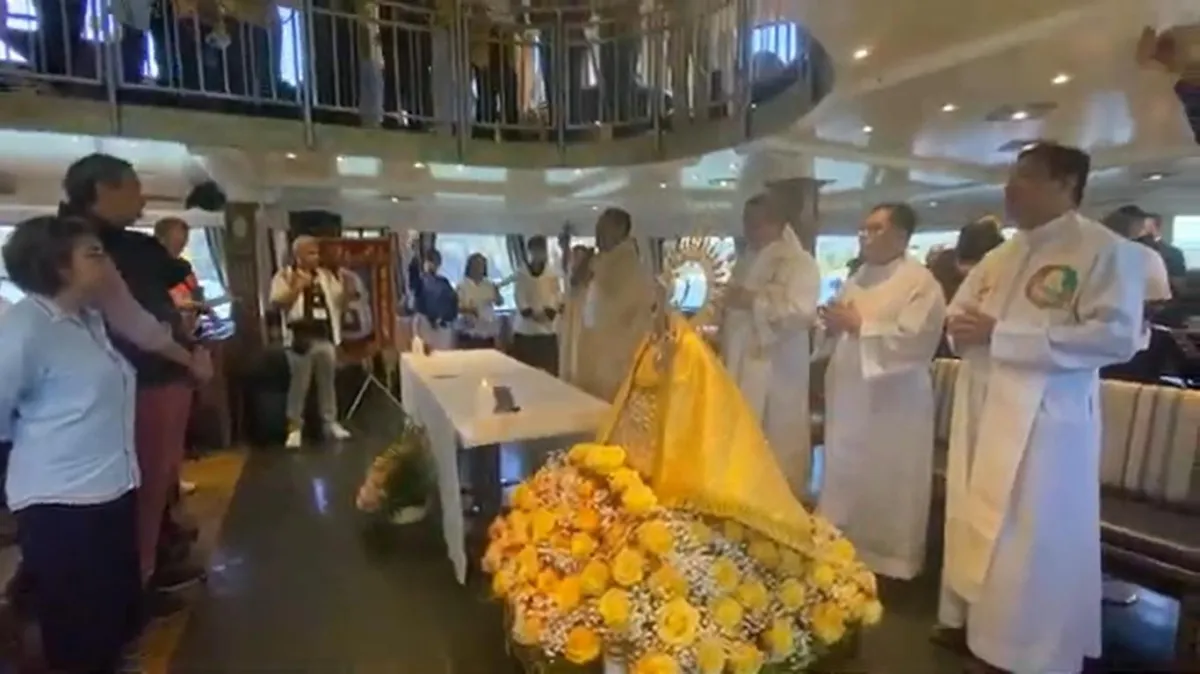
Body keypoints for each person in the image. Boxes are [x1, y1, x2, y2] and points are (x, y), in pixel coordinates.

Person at [936, 142, 1145, 673]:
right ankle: (979, 630)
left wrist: (1004, 335)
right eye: (1012, 174)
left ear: (1066, 184)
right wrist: (963, 329)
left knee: (1030, 534)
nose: (1010, 187)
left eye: (1026, 176)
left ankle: (1031, 651)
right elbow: (960, 314)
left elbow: (1115, 336)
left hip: (1047, 418)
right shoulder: (1001, 255)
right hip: (983, 405)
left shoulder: (1106, 251)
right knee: (979, 521)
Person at [59, 153, 211, 609]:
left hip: (144, 376)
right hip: (138, 381)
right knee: (139, 491)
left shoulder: (115, 245)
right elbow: (135, 323)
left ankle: (144, 575)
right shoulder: (82, 245)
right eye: (133, 188)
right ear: (102, 191)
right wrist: (187, 358)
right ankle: (134, 589)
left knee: (151, 486)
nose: (142, 198)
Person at [0, 216, 143, 672]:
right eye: (93, 254)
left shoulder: (88, 319)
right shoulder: (25, 328)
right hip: (60, 500)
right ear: (58, 266)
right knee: (79, 625)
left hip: (111, 486)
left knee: (113, 611)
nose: (106, 262)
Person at [817, 203, 946, 580]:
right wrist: (832, 326)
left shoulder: (920, 283)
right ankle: (840, 546)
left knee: (888, 475)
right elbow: (842, 326)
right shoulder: (858, 277)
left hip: (894, 401)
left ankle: (889, 561)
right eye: (862, 228)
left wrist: (861, 326)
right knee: (844, 471)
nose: (865, 236)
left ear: (901, 236)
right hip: (849, 394)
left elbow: (917, 339)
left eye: (875, 229)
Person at [720, 193, 821, 500]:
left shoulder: (798, 262)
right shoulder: (747, 260)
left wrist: (754, 301)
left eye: (756, 223)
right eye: (746, 222)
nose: (749, 230)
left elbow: (801, 313)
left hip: (777, 367)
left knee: (778, 436)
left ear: (777, 222)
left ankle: (781, 502)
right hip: (741, 362)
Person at [269, 236, 355, 450]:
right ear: (298, 255)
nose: (316, 257)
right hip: (300, 338)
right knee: (300, 384)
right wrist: (298, 287)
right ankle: (295, 427)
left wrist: (348, 292)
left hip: (324, 335)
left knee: (328, 383)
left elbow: (339, 303)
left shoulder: (326, 276)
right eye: (310, 253)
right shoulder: (285, 275)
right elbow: (277, 301)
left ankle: (330, 422)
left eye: (317, 253)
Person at [575, 208, 656, 401]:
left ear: (620, 230)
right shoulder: (602, 259)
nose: (598, 233)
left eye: (604, 227)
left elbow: (619, 301)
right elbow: (577, 282)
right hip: (598, 349)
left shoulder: (626, 263)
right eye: (598, 227)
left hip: (616, 354)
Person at [512, 236, 564, 374]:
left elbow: (556, 294)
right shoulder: (522, 274)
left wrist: (548, 311)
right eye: (536, 250)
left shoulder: (552, 274)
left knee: (548, 369)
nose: (539, 253)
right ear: (530, 251)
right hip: (526, 330)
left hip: (546, 329)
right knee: (525, 370)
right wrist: (530, 313)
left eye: (542, 250)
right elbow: (519, 296)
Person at [558, 245, 595, 385]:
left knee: (577, 350)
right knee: (568, 350)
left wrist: (588, 258)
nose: (575, 261)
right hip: (570, 319)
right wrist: (564, 246)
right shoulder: (570, 274)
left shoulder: (588, 275)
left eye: (579, 257)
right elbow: (571, 276)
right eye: (574, 257)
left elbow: (578, 279)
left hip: (583, 317)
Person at [412, 249, 459, 351]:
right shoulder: (419, 282)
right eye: (429, 261)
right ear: (424, 262)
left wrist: (442, 318)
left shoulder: (444, 283)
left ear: (439, 264)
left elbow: (453, 304)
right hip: (424, 324)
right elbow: (415, 300)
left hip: (441, 325)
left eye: (435, 261)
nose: (431, 264)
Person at [456, 253, 502, 349]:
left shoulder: (489, 284)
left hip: (489, 333)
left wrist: (497, 292)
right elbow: (456, 308)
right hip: (470, 333)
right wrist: (470, 310)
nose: (479, 268)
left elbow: (499, 302)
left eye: (482, 265)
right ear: (470, 267)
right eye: (476, 265)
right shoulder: (462, 285)